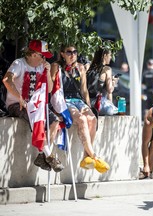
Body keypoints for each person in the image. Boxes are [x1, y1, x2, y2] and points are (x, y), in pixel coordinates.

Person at [2, 39, 64, 172]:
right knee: (38, 122)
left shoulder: (42, 66)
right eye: (42, 56)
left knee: (54, 122)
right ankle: (50, 156)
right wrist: (19, 98)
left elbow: (49, 89)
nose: (44, 59)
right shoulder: (19, 63)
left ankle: (43, 155)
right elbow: (7, 80)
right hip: (17, 104)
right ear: (34, 54)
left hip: (36, 105)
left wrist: (47, 73)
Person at [50, 44, 110, 173]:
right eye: (69, 52)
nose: (73, 55)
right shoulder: (56, 66)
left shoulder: (80, 67)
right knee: (81, 119)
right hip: (63, 100)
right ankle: (94, 156)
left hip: (78, 99)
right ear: (62, 54)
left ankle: (85, 157)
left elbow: (84, 90)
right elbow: (51, 88)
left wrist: (88, 106)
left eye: (75, 52)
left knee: (92, 119)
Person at [87, 47, 119, 116]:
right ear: (104, 56)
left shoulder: (89, 67)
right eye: (110, 55)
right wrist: (114, 82)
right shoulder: (107, 69)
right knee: (116, 110)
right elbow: (110, 90)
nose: (111, 57)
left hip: (88, 102)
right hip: (99, 104)